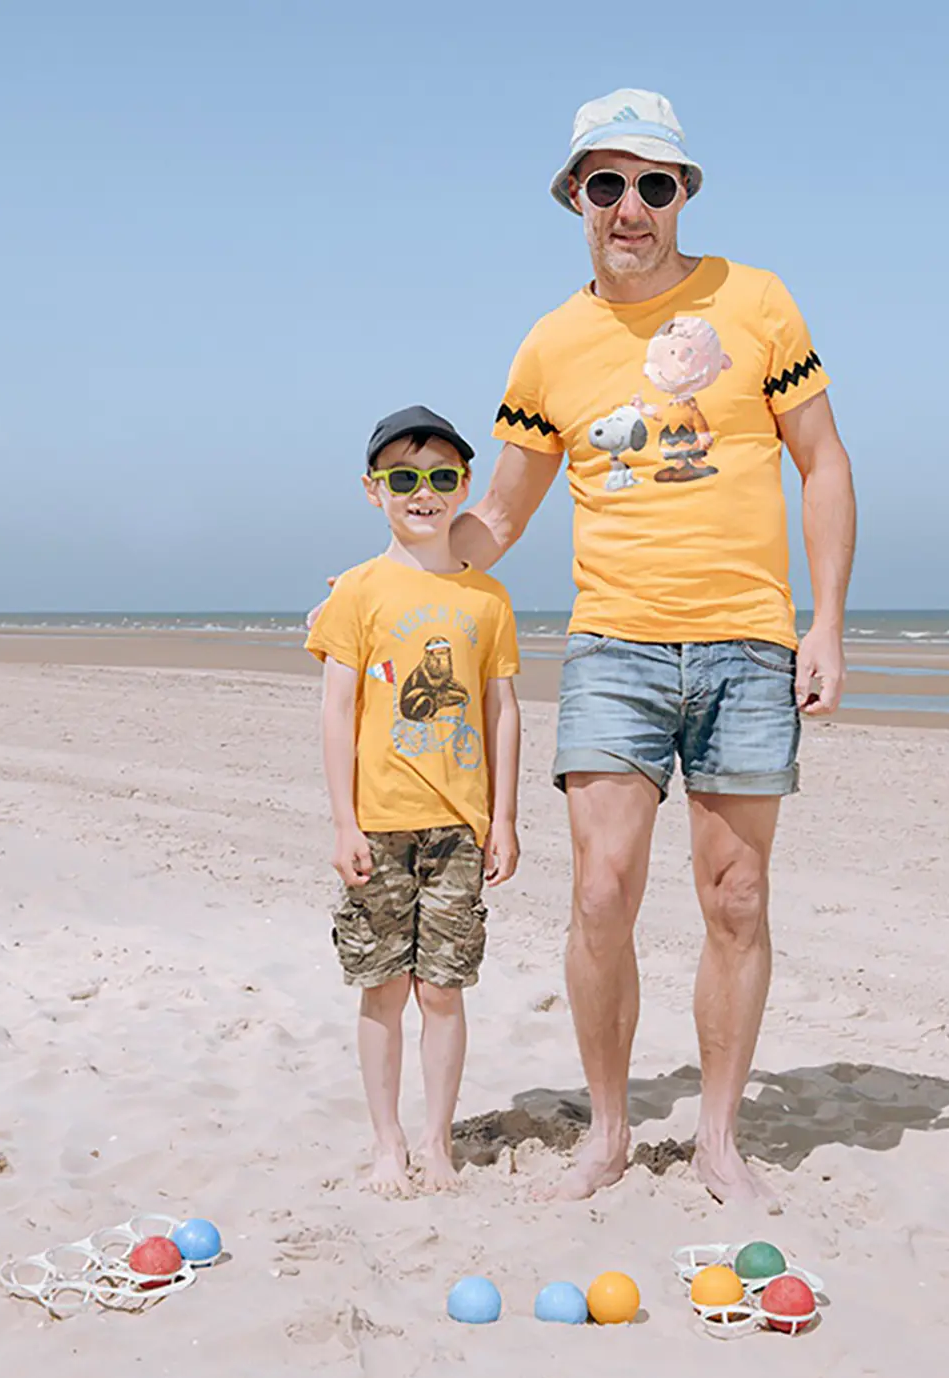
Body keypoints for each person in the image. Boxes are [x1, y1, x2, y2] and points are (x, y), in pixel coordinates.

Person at [448, 89, 857, 1205]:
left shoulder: (755, 302)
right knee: (599, 895)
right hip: (614, 650)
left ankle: (718, 1139)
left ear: (683, 195)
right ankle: (608, 1132)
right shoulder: (550, 345)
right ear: (573, 197)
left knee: (736, 897)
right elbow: (501, 515)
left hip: (746, 646)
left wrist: (823, 623)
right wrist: (405, 561)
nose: (630, 206)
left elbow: (821, 460)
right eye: (607, 183)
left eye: (653, 184)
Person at [306, 406, 521, 1196]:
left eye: (439, 477)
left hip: (460, 828)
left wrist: (505, 818)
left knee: (443, 989)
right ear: (375, 491)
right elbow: (336, 712)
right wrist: (344, 822)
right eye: (403, 478)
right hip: (379, 823)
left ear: (463, 486)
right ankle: (386, 1141)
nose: (422, 492)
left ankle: (436, 1140)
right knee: (384, 988)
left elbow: (502, 710)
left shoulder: (487, 598)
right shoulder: (357, 591)